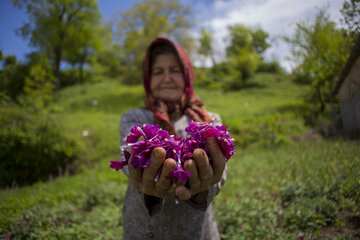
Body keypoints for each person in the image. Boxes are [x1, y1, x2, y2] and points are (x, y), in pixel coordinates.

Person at [119, 36, 228, 240]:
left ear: (187, 77)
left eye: (175, 70)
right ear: (148, 80)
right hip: (145, 230)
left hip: (196, 231)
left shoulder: (209, 121)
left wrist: (205, 184)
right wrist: (138, 168)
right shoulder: (135, 118)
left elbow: (220, 172)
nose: (167, 78)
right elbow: (127, 154)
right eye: (158, 72)